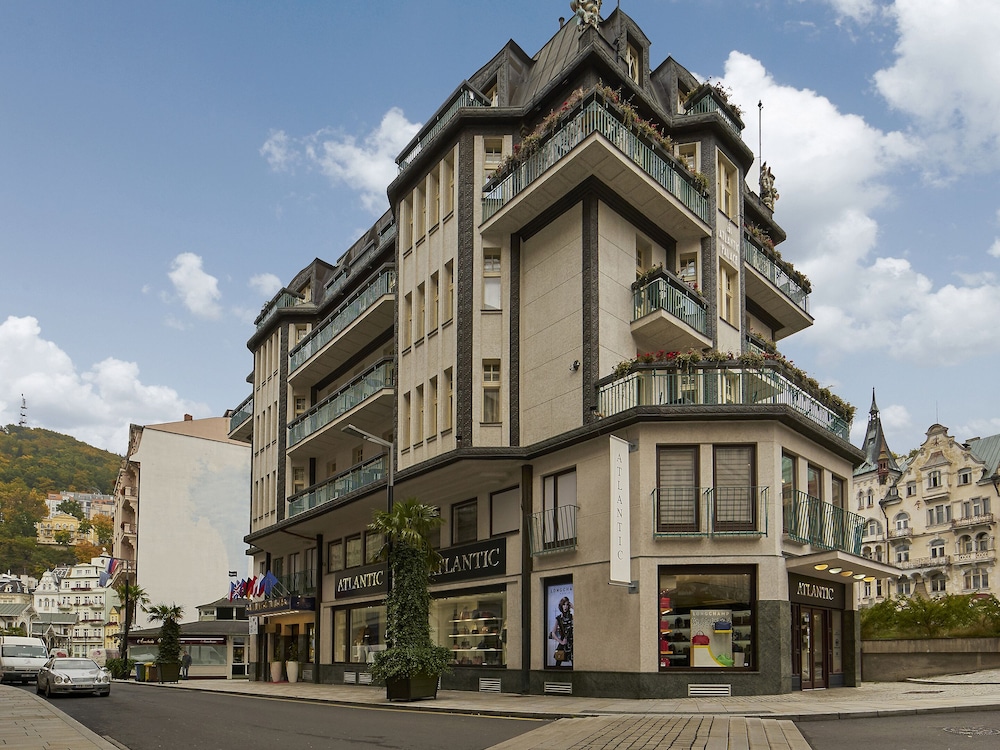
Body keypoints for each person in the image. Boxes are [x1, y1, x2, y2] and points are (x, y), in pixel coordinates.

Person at [549, 596, 573, 666]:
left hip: (572, 643)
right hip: (563, 642)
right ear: (561, 606)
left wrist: (573, 607)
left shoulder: (572, 616)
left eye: (567, 605)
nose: (565, 607)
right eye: (563, 604)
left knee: (574, 663)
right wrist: (561, 642)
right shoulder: (559, 618)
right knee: (558, 660)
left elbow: (581, 617)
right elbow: (553, 633)